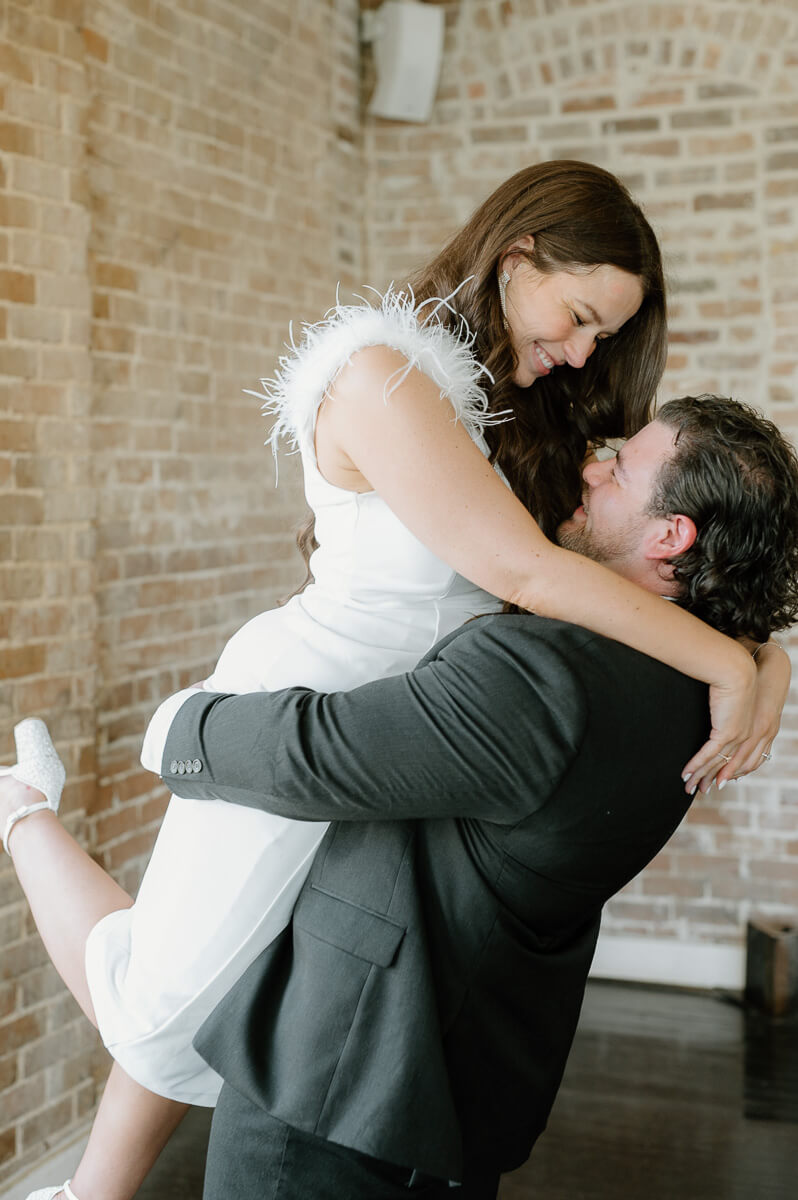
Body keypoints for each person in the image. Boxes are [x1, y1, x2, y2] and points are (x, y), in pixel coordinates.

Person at [0, 155, 785, 1199]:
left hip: (414, 737)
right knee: (159, 1004)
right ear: (519, 255)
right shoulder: (380, 375)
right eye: (583, 314)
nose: (587, 350)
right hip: (314, 694)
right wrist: (733, 660)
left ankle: (91, 1192)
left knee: (239, 991)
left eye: (607, 335)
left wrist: (762, 652)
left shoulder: (521, 411)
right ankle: (23, 815)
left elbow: (675, 556)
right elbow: (523, 572)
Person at [149, 394, 798, 1199]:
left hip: (344, 1082)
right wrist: (766, 662)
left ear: (672, 536)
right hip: (464, 1094)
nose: (593, 468)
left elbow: (315, 753)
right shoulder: (698, 682)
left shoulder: (551, 677)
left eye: (622, 467)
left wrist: (182, 727)